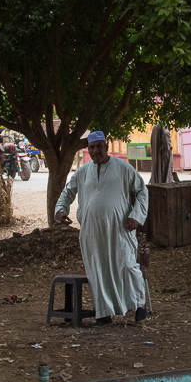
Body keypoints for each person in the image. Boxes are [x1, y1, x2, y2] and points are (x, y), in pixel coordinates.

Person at [54, 131, 149, 325]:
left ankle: (140, 305)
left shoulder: (123, 168)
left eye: (99, 146)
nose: (96, 150)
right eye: (92, 147)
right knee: (97, 270)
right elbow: (68, 191)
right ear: (88, 149)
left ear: (106, 146)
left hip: (120, 230)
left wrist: (136, 216)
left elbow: (142, 191)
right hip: (91, 233)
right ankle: (103, 314)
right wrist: (60, 210)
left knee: (127, 266)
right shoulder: (82, 172)